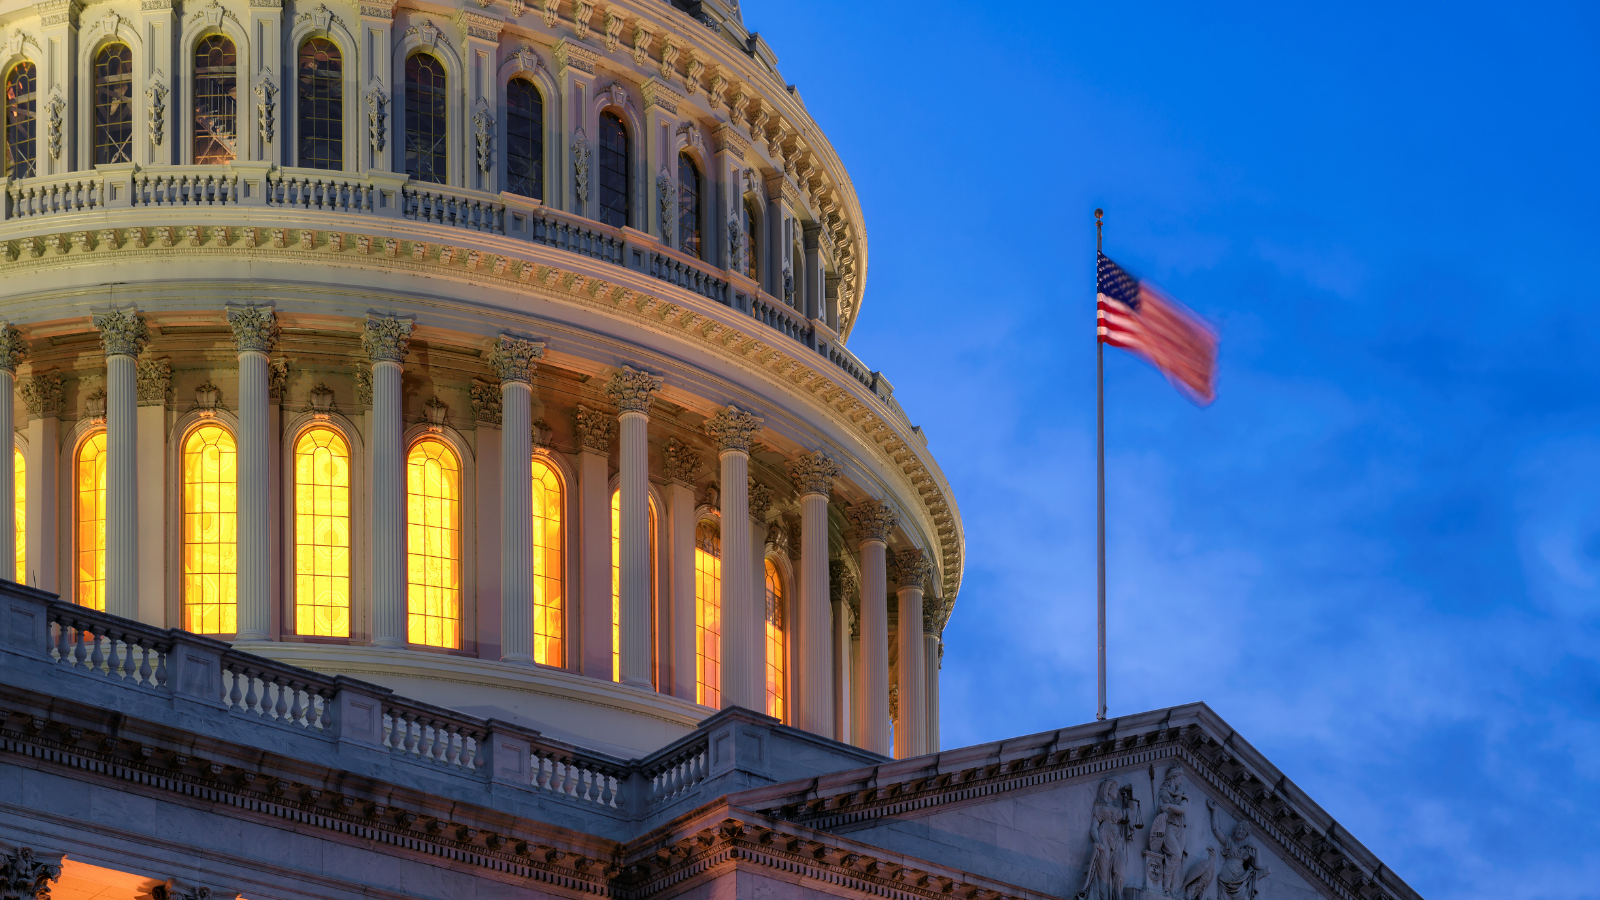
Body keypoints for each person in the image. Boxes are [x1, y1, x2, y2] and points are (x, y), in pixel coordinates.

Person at [1207, 799, 1271, 899]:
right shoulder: (1229, 842)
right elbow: (1216, 830)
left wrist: (1257, 850)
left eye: (1243, 830)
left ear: (1247, 834)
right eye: (1239, 828)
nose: (1240, 831)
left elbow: (1258, 866)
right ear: (1235, 830)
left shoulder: (1247, 851)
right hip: (1227, 875)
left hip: (1240, 877)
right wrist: (1214, 811)